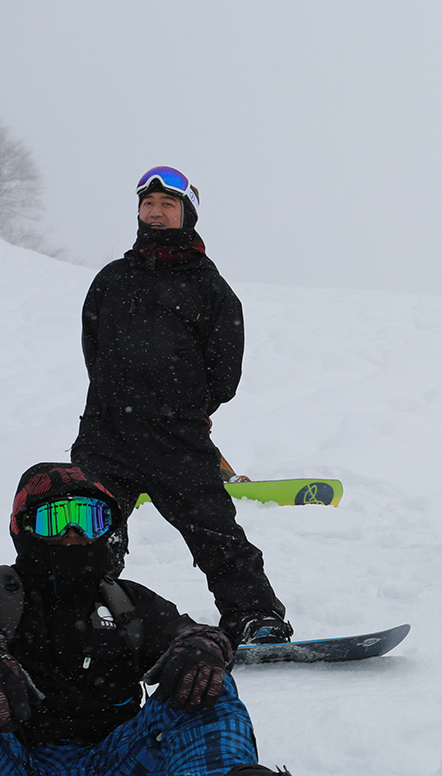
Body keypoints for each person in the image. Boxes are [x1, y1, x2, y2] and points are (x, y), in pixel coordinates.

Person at [0, 464, 293, 776]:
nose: (73, 534)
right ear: (24, 527)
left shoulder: (127, 602)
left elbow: (191, 635)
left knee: (204, 676)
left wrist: (202, 646)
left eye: (89, 519)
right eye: (55, 520)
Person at [70, 166, 290, 646]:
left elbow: (225, 369)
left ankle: (255, 617)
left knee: (216, 533)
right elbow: (94, 347)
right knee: (85, 532)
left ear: (186, 214)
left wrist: (184, 406)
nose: (155, 212)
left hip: (177, 437)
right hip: (106, 435)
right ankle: (75, 619)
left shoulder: (209, 287)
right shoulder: (112, 278)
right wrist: (116, 398)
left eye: (167, 205)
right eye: (148, 204)